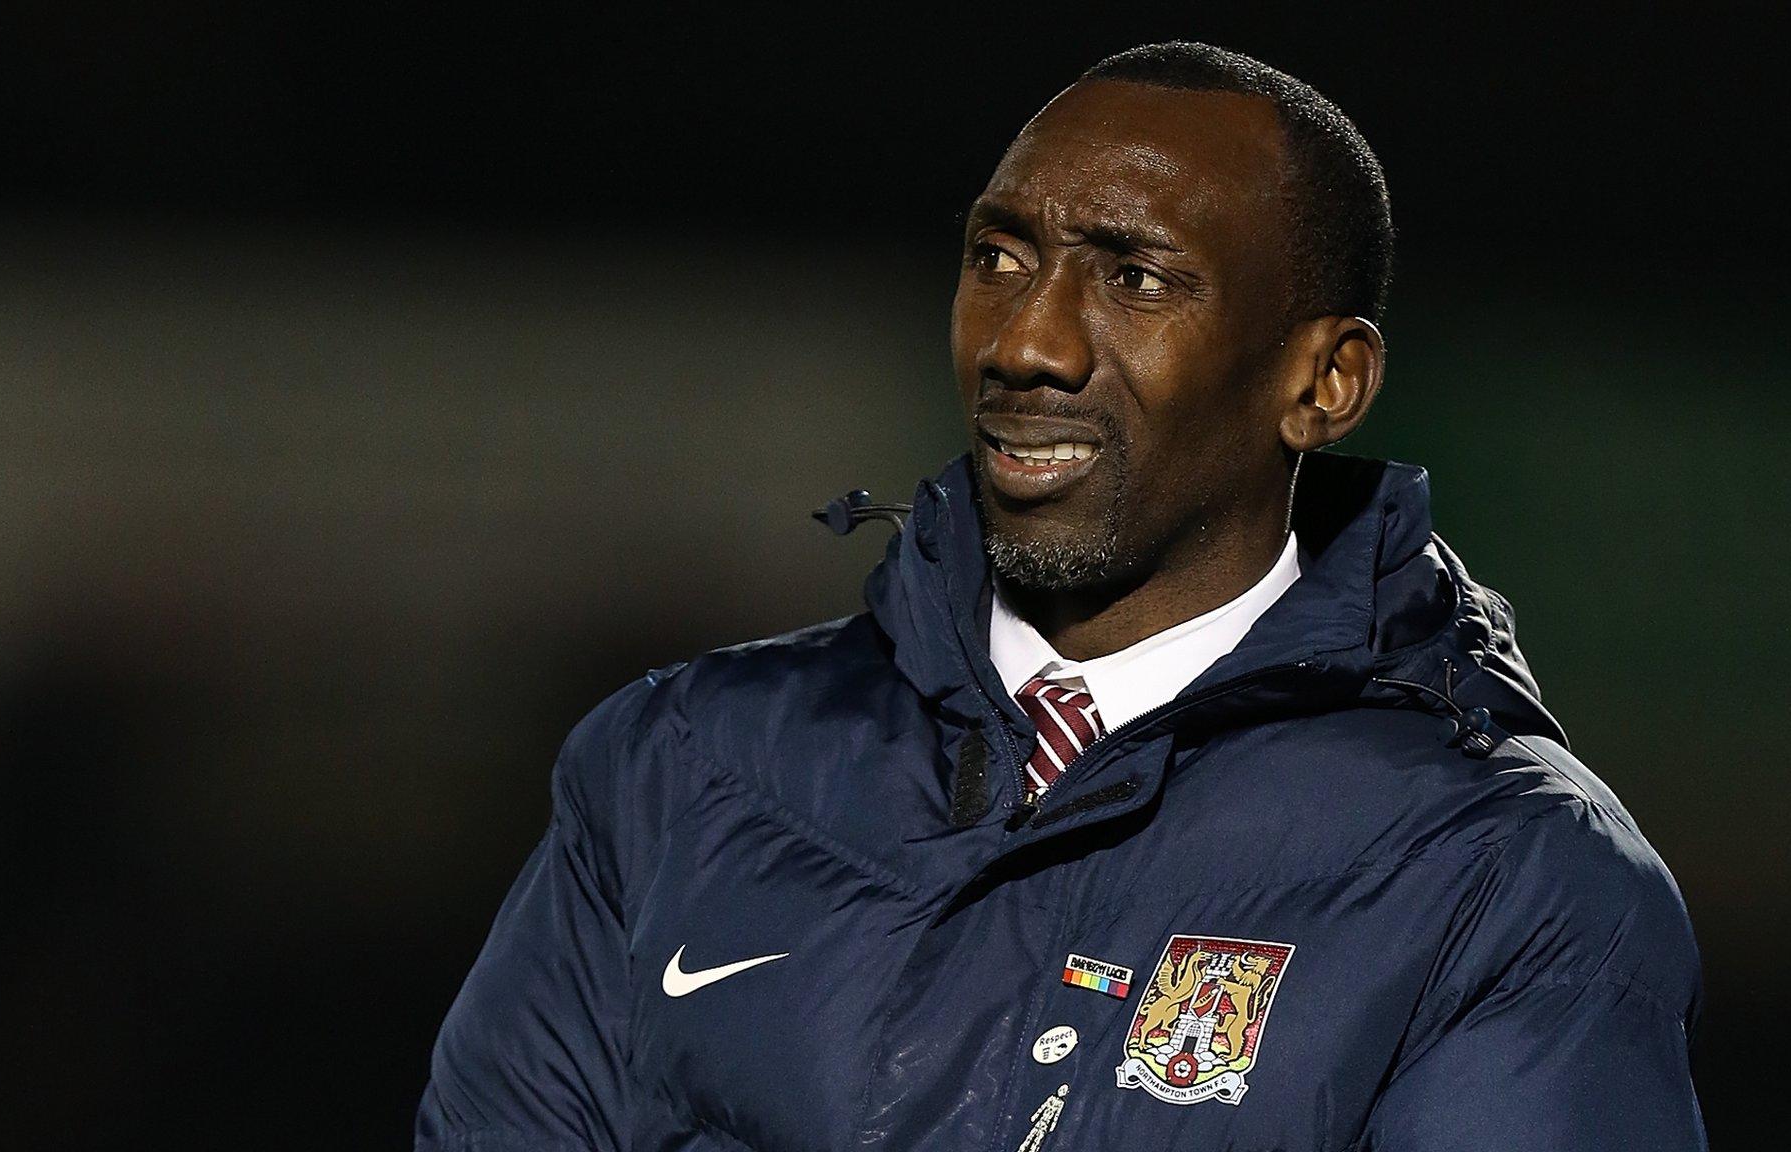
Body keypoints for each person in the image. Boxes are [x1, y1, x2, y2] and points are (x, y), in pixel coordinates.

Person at [416, 41, 1707, 1151]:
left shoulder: (1506, 876)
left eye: (1134, 278)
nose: (1026, 342)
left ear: (1323, 383)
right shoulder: (677, 768)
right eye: (998, 256)